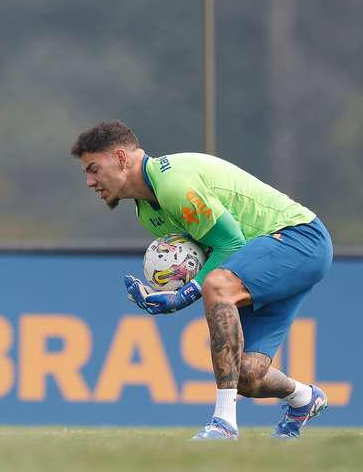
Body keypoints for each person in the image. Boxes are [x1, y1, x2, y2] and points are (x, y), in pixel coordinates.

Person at [71, 120, 330, 441]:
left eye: (94, 168)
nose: (89, 181)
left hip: (298, 238)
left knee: (216, 287)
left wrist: (183, 296)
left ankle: (223, 424)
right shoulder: (148, 213)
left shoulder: (173, 183)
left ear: (122, 158)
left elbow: (230, 245)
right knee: (248, 375)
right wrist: (168, 289)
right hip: (259, 257)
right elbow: (208, 257)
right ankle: (304, 398)